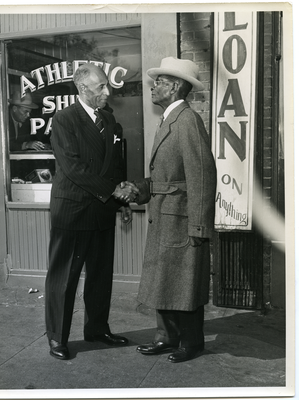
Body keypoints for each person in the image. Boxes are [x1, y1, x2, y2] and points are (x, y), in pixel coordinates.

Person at [45, 63, 138, 360]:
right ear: (83, 88)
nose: (107, 92)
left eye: (106, 86)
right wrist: (113, 192)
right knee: (64, 279)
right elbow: (73, 168)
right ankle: (57, 338)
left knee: (100, 276)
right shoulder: (64, 120)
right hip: (72, 212)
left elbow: (115, 165)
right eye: (101, 88)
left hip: (102, 211)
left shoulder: (110, 121)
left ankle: (97, 330)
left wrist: (121, 202)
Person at [132, 57, 217, 363]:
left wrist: (199, 226)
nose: (153, 86)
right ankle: (166, 337)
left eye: (160, 82)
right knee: (164, 278)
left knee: (186, 282)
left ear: (176, 87)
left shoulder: (187, 121)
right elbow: (164, 175)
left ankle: (192, 343)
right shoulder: (170, 119)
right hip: (165, 213)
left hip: (181, 218)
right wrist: (141, 190)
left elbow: (203, 176)